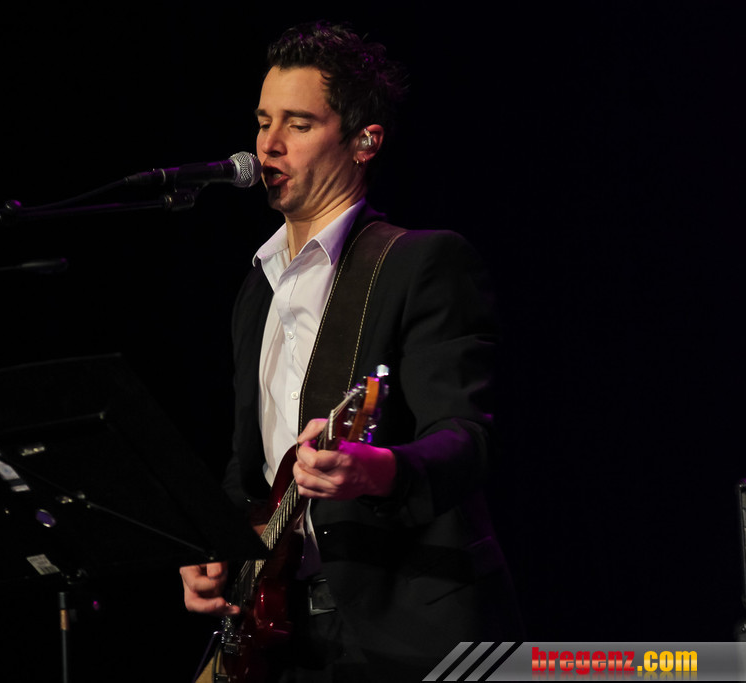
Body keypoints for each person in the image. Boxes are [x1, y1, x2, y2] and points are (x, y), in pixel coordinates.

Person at [180, 20, 521, 681]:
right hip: (287, 637)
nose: (269, 144)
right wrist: (215, 546)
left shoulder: (420, 263)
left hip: (407, 627)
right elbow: (250, 468)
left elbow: (469, 439)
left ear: (365, 141)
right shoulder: (257, 288)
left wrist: (379, 470)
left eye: (299, 123)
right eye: (263, 122)